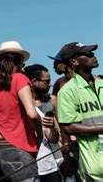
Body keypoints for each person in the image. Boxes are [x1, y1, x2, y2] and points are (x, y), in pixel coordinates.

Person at [0, 41, 42, 181]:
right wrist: (40, 135)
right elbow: (32, 114)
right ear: (20, 62)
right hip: (16, 149)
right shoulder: (19, 78)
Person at [57, 42, 103, 181]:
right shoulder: (67, 91)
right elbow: (68, 126)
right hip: (94, 165)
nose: (93, 56)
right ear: (74, 61)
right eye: (88, 54)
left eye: (92, 53)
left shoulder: (101, 84)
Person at [24, 64, 62, 181]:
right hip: (31, 164)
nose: (50, 84)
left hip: (54, 162)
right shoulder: (23, 105)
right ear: (34, 81)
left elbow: (58, 133)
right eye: (47, 81)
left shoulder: (52, 100)